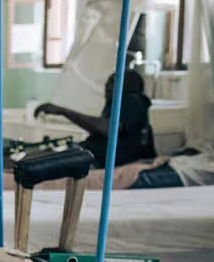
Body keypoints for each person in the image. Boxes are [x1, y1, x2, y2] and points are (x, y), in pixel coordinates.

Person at [34, 70, 176, 187]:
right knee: (37, 158)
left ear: (129, 86)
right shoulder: (115, 106)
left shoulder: (133, 101)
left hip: (99, 161)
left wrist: (63, 111)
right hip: (91, 156)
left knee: (37, 164)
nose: (107, 86)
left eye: (114, 82)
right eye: (108, 82)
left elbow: (108, 129)